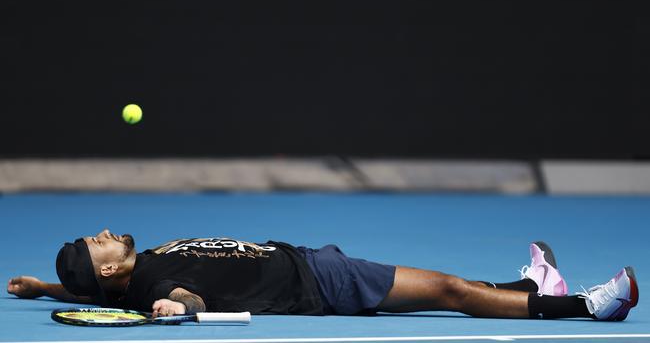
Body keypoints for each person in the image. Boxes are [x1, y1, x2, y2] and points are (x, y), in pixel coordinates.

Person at [7, 229, 638, 321]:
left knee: (442, 280)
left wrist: (45, 288)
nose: (101, 235)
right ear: (113, 269)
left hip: (309, 261)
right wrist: (178, 309)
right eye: (96, 245)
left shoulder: (125, 271)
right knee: (447, 291)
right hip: (320, 285)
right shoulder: (147, 286)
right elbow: (181, 296)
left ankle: (531, 287)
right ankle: (585, 308)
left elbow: (92, 289)